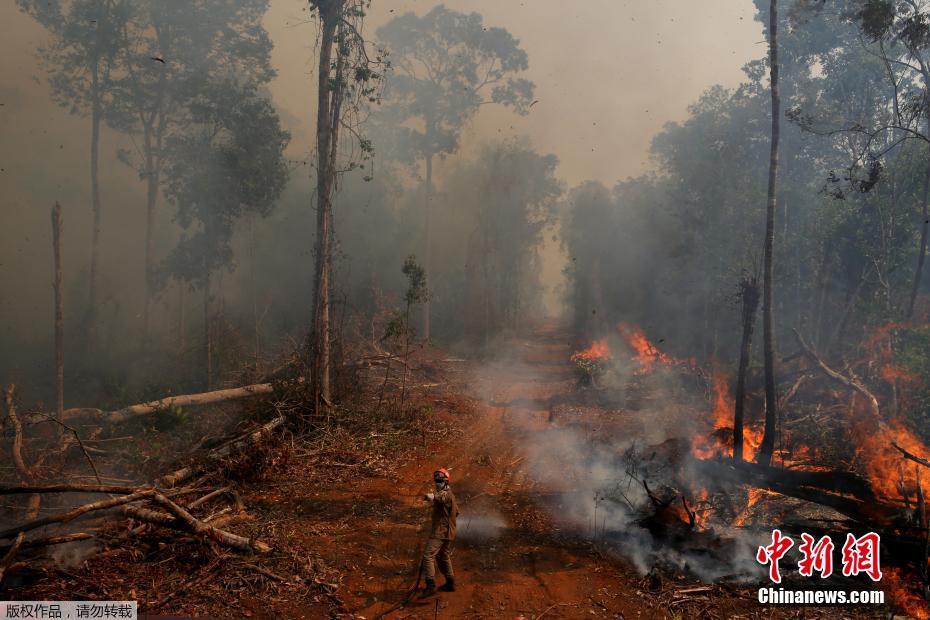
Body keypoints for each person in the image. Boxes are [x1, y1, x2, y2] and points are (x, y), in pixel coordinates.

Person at [421, 468, 458, 597]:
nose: (437, 483)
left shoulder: (446, 494)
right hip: (448, 532)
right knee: (443, 556)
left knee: (428, 555)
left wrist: (431, 496)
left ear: (446, 482)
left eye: (440, 481)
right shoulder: (449, 494)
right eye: (436, 480)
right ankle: (450, 582)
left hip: (441, 532)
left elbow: (441, 498)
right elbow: (457, 512)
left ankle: (430, 585)